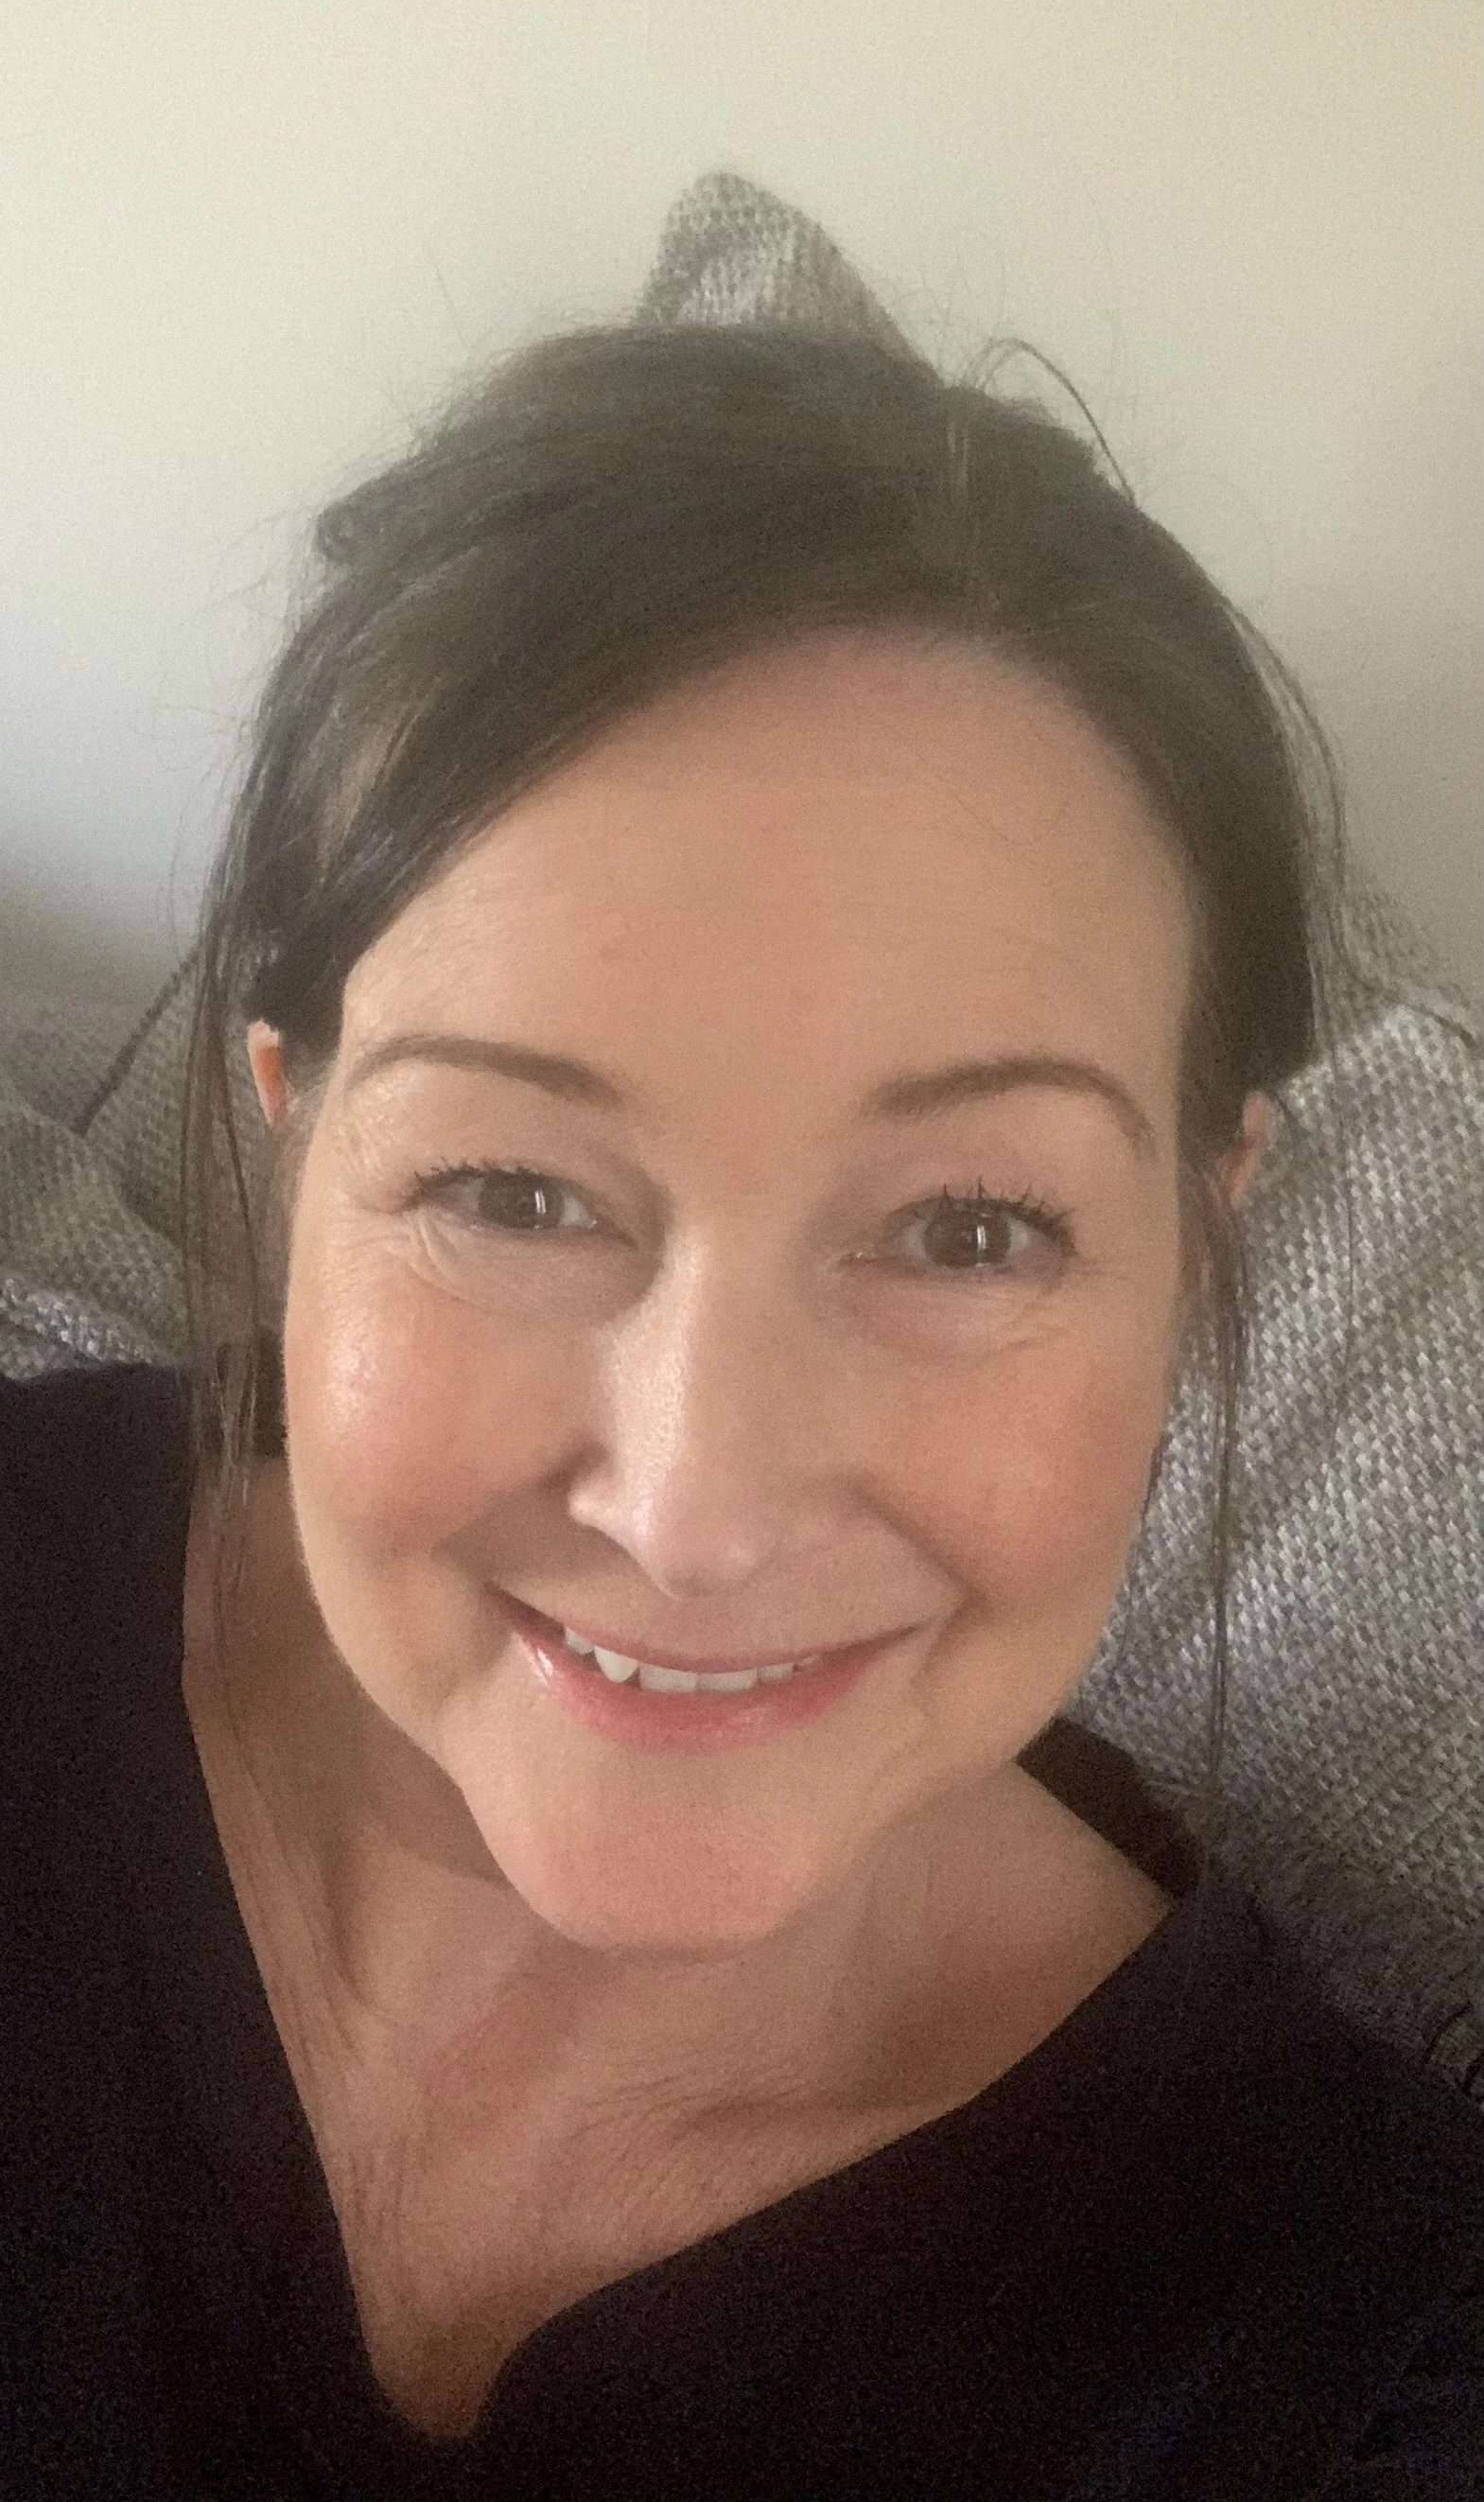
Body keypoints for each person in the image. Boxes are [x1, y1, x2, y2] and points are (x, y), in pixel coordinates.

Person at [3, 319, 1480, 2500]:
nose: (696, 1511)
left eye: (973, 1229)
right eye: (513, 1190)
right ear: (296, 1140)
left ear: (1199, 1230)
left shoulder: (1346, 2350)